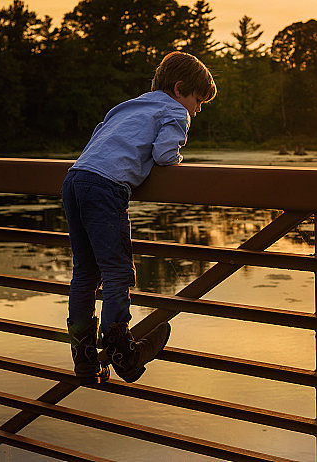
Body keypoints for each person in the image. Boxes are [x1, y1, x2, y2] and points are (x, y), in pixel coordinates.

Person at [61, 51, 216, 383]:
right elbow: (164, 155)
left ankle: (85, 360)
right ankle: (122, 353)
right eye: (198, 99)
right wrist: (177, 163)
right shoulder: (175, 111)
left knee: (85, 273)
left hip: (75, 180)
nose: (198, 108)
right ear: (179, 89)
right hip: (106, 187)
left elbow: (100, 140)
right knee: (118, 272)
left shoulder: (129, 106)